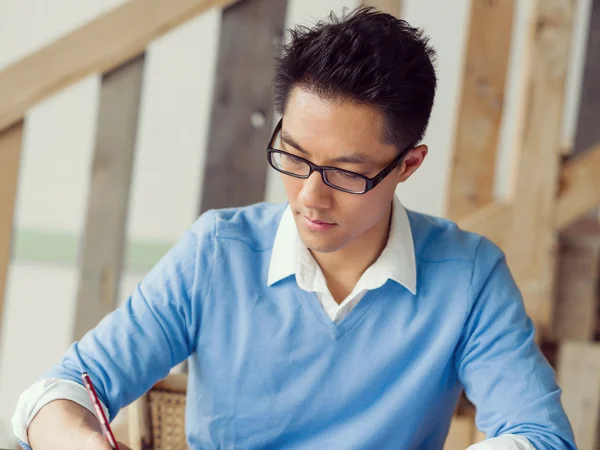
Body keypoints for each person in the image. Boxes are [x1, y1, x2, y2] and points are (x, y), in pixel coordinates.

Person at [13, 6, 575, 450]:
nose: (310, 195)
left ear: (409, 165)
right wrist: (81, 438)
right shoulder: (218, 253)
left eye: (346, 174)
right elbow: (55, 394)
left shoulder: (468, 276)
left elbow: (542, 437)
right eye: (294, 156)